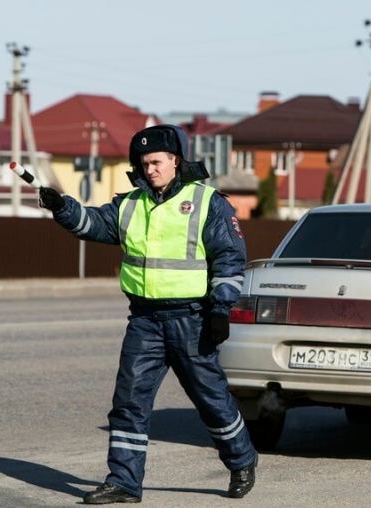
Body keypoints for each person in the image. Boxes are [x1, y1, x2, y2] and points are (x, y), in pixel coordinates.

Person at [38, 124, 258, 504]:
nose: (150, 169)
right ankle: (124, 481)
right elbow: (93, 224)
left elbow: (229, 260)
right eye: (144, 163)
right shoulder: (129, 204)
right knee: (128, 402)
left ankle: (242, 459)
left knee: (211, 399)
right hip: (144, 321)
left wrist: (220, 310)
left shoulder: (208, 203)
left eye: (156, 161)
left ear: (176, 161)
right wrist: (62, 207)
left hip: (194, 319)